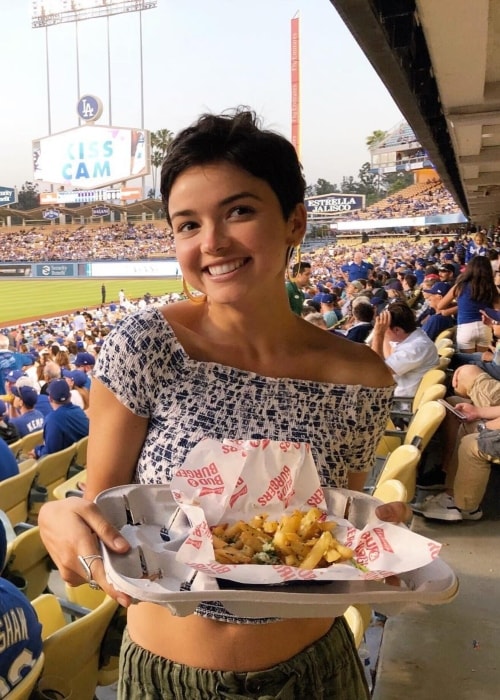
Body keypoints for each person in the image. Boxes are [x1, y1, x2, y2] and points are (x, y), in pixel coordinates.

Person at [38, 109, 403, 700]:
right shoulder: (144, 347)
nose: (212, 243)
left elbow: (333, 525)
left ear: (294, 222)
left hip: (317, 673)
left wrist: (377, 532)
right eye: (187, 225)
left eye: (239, 211)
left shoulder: (360, 377)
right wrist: (60, 518)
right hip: (165, 678)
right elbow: (102, 515)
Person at [371, 301, 439, 397]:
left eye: (385, 329)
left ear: (397, 330)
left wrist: (379, 334)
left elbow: (376, 371)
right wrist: (384, 334)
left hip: (399, 403)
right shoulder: (414, 336)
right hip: (392, 392)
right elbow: (388, 358)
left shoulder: (415, 348)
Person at [438, 255, 500, 353]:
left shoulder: (460, 286)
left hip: (465, 327)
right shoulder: (491, 288)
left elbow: (440, 306)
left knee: (468, 362)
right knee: (480, 361)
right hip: (485, 328)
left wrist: (462, 305)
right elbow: (497, 310)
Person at [34, 379, 89, 458]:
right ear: (70, 396)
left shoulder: (52, 420)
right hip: (83, 458)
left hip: (69, 464)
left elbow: (50, 454)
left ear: (50, 399)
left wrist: (37, 450)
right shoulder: (78, 410)